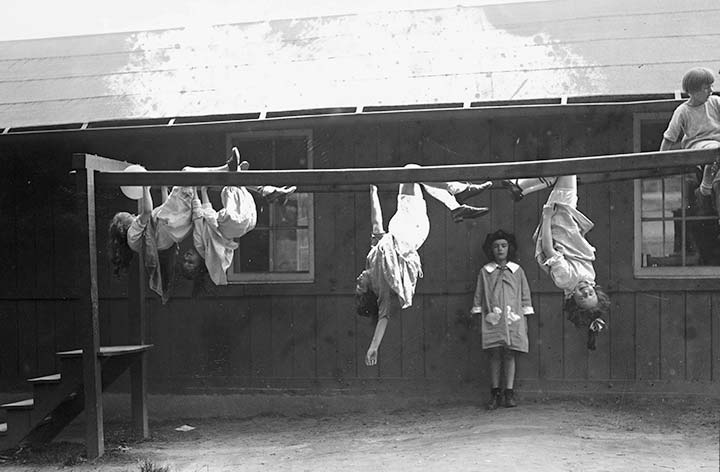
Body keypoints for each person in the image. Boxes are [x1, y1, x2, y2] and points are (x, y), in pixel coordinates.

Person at [109, 148, 294, 302]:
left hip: (177, 224)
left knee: (197, 180)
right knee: (188, 173)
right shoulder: (132, 235)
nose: (133, 215)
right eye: (130, 216)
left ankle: (263, 189)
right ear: (123, 226)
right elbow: (147, 212)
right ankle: (233, 172)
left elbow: (161, 211)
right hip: (175, 223)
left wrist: (163, 188)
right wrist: (144, 184)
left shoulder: (139, 240)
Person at [355, 166, 492, 366]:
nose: (358, 279)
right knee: (411, 172)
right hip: (409, 232)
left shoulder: (371, 258)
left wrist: (373, 192)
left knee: (416, 174)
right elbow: (383, 317)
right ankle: (458, 192)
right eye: (360, 286)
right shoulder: (382, 285)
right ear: (369, 291)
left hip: (405, 225)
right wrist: (373, 346)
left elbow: (377, 225)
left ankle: (455, 206)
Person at [503, 175, 610, 350]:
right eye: (591, 294)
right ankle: (520, 187)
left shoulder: (566, 279)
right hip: (569, 225)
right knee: (564, 174)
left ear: (572, 298)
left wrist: (546, 217)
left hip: (558, 223)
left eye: (582, 297)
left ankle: (521, 187)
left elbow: (548, 249)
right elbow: (579, 250)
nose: (586, 292)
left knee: (567, 171)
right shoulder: (589, 277)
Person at [180, 158, 296, 294]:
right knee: (228, 189)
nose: (187, 257)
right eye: (190, 262)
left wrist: (201, 192)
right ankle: (238, 174)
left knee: (235, 190)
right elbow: (202, 216)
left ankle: (266, 190)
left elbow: (204, 216)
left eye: (185, 260)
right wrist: (199, 192)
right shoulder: (203, 248)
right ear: (200, 265)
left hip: (242, 226)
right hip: (231, 224)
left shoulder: (207, 251)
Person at [470, 229, 533, 409]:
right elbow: (479, 293)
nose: (500, 250)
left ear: (509, 248)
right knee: (495, 354)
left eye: (503, 246)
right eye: (496, 246)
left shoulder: (517, 271)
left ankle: (509, 393)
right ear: (491, 250)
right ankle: (495, 393)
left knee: (510, 353)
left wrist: (525, 315)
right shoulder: (485, 271)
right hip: (493, 318)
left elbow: (525, 294)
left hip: (514, 318)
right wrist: (477, 311)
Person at [660, 67, 720, 218]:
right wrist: (660, 160)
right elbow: (670, 137)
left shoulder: (715, 102)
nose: (711, 91)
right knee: (714, 150)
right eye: (706, 88)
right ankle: (706, 184)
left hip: (717, 143)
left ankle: (708, 188)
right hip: (698, 144)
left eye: (712, 86)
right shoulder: (683, 111)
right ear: (692, 91)